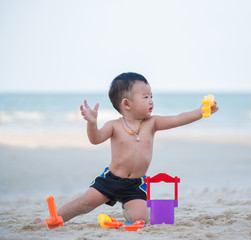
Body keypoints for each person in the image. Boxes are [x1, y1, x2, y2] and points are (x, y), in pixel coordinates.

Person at [41, 72, 218, 224]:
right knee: (82, 204)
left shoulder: (153, 123)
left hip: (135, 185)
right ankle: (52, 219)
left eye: (151, 96)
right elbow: (95, 139)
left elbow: (178, 118)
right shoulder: (114, 125)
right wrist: (92, 123)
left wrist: (201, 111)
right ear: (126, 104)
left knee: (142, 219)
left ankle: (127, 211)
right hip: (110, 181)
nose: (151, 101)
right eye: (145, 97)